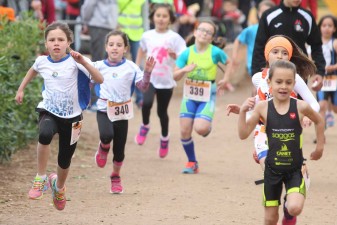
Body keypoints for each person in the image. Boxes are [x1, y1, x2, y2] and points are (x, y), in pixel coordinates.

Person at [15, 22, 103, 210]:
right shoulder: (42, 61)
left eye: (61, 39)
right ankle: (41, 177)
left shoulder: (76, 61)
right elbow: (32, 71)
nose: (56, 43)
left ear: (68, 42)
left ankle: (59, 187)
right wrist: (20, 89)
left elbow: (99, 79)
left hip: (73, 118)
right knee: (45, 134)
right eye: (51, 40)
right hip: (49, 110)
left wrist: (83, 62)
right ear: (46, 44)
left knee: (65, 158)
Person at [238, 60, 324, 225]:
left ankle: (291, 204)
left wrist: (319, 148)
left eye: (288, 82)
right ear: (269, 82)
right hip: (272, 171)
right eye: (278, 82)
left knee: (294, 208)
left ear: (294, 84)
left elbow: (319, 121)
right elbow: (243, 134)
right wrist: (242, 112)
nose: (283, 86)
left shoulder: (301, 107)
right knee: (270, 219)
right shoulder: (262, 108)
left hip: (294, 170)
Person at [227, 35, 319, 171]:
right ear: (267, 55)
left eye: (284, 53)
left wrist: (307, 116)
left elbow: (314, 104)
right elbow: (260, 104)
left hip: (288, 129)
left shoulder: (295, 78)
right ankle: (262, 152)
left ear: (289, 57)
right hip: (263, 129)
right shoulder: (258, 78)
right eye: (275, 52)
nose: (280, 56)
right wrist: (243, 110)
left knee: (287, 169)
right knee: (269, 167)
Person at [93, 30, 155, 194]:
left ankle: (115, 176)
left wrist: (147, 72)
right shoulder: (97, 66)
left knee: (119, 150)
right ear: (106, 47)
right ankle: (103, 147)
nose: (115, 48)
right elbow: (86, 80)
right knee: (106, 135)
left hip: (121, 112)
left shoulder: (131, 67)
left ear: (125, 49)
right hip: (104, 109)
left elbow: (143, 87)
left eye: (119, 45)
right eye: (111, 44)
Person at [174, 19, 232, 174]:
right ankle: (192, 162)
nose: (204, 34)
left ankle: (206, 125)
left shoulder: (215, 52)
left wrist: (225, 79)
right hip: (189, 96)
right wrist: (184, 70)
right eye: (201, 30)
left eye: (208, 32)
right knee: (185, 131)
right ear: (195, 32)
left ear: (212, 38)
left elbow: (230, 63)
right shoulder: (187, 52)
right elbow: (175, 76)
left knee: (200, 128)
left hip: (207, 95)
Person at [134, 3, 186, 158]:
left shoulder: (175, 38)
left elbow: (183, 57)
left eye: (165, 16)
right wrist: (137, 67)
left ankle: (164, 138)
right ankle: (145, 125)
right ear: (152, 17)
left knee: (161, 111)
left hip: (166, 80)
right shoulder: (147, 35)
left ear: (170, 19)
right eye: (158, 15)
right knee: (146, 103)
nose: (161, 19)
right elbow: (142, 50)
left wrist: (174, 57)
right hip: (150, 77)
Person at [252, 0, 325, 92]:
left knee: (297, 105)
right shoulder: (269, 15)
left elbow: (316, 46)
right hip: (273, 75)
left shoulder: (307, 16)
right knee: (272, 106)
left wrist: (320, 72)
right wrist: (257, 76)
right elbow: (259, 47)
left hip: (299, 74)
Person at [81, 0, 118, 109]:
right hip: (98, 26)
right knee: (98, 65)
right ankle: (95, 101)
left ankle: (104, 99)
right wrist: (86, 21)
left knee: (108, 65)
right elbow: (88, 6)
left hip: (108, 27)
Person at [117, 0, 149, 109]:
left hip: (137, 35)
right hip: (120, 34)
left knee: (137, 66)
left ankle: (140, 98)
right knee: (118, 66)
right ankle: (119, 97)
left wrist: (146, 36)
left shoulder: (143, 1)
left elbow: (145, 19)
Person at [231, 0, 275, 78]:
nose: (265, 14)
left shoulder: (276, 29)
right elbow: (238, 40)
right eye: (263, 12)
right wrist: (234, 57)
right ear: (258, 13)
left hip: (272, 66)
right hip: (254, 66)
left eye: (268, 12)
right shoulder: (251, 29)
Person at [316, 15, 337, 137]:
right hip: (321, 79)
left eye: (330, 26)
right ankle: (320, 135)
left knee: (335, 108)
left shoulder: (335, 43)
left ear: (334, 28)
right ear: (320, 28)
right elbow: (311, 59)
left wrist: (332, 67)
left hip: (334, 78)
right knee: (321, 106)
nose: (326, 28)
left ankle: (331, 110)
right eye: (324, 25)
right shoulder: (315, 44)